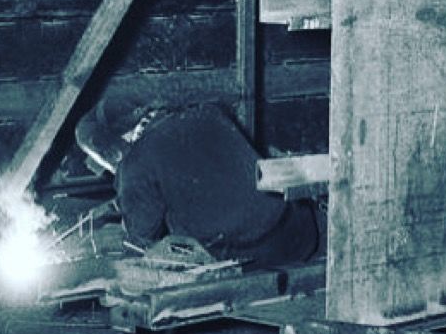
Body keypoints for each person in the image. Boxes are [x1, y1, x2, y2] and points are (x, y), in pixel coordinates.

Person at [75, 94, 319, 268]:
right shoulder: (205, 113)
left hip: (255, 259)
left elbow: (141, 238)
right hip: (299, 231)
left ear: (109, 147)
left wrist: (126, 213)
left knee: (168, 251)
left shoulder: (135, 165)